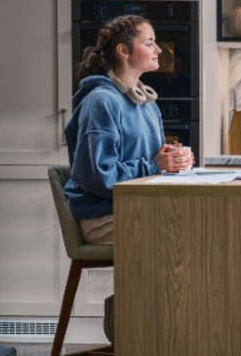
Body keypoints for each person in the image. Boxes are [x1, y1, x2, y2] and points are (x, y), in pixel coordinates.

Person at [65, 14, 193, 244]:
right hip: (103, 216)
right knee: (185, 235)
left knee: (204, 221)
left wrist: (175, 160)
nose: (159, 50)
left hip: (137, 206)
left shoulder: (147, 103)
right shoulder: (102, 101)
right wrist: (157, 164)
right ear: (124, 51)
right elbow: (100, 177)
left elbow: (155, 162)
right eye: (149, 43)